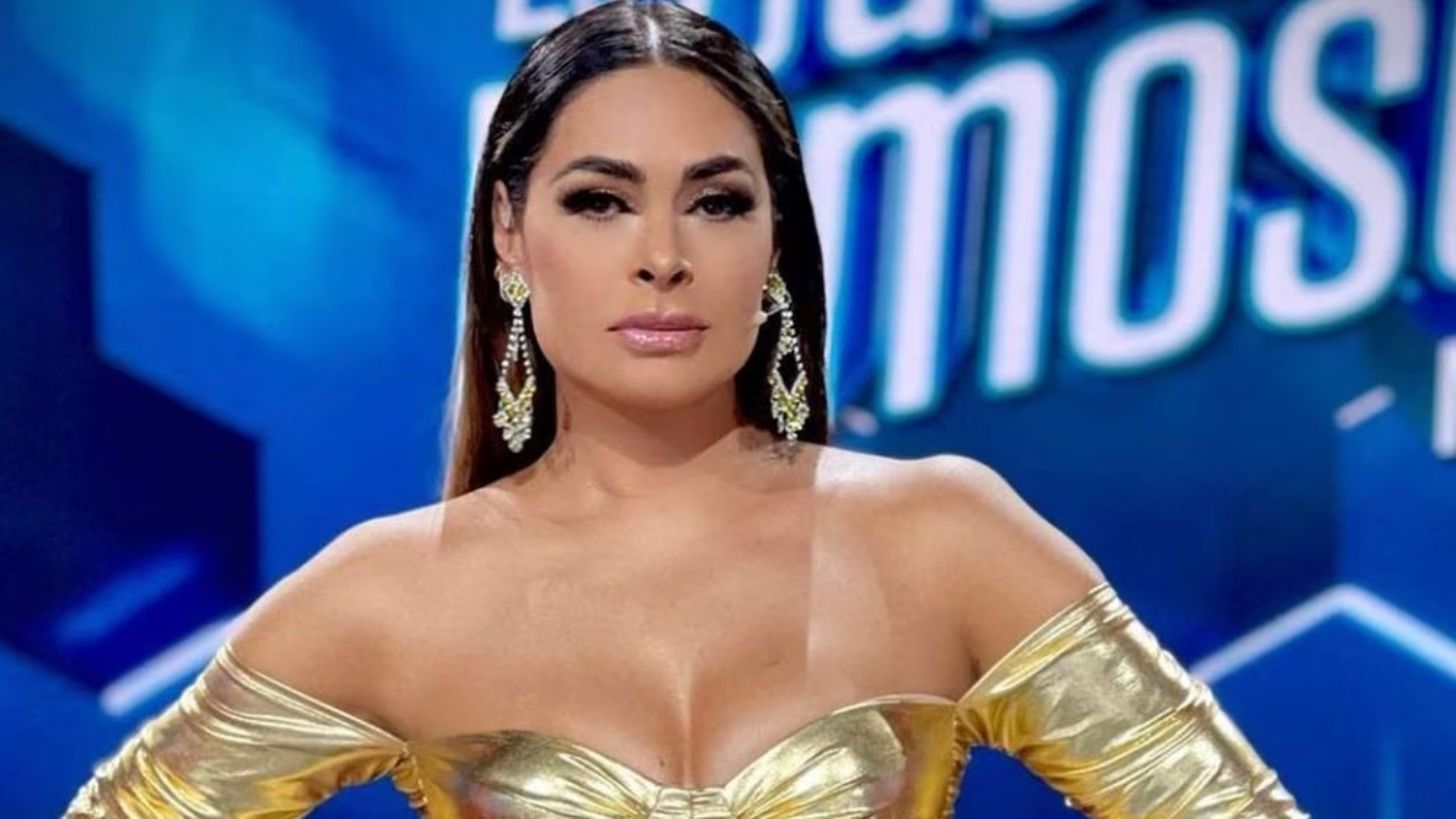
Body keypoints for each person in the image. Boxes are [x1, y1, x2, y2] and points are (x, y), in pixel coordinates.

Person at [64, 1, 1307, 816]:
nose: (662, 258)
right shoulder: (385, 598)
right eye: (599, 202)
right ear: (509, 236)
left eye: (715, 204)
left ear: (773, 242)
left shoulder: (942, 536)